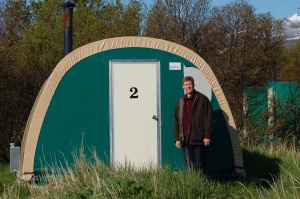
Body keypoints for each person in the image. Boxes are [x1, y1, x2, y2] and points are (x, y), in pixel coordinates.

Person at [173, 76, 213, 173]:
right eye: (186, 84)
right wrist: (177, 138)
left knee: (200, 165)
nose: (188, 86)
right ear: (183, 86)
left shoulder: (202, 99)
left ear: (193, 85)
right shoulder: (180, 101)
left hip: (198, 137)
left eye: (190, 84)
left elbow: (208, 118)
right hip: (185, 138)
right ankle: (192, 184)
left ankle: (201, 184)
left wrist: (207, 136)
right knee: (189, 165)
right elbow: (176, 121)